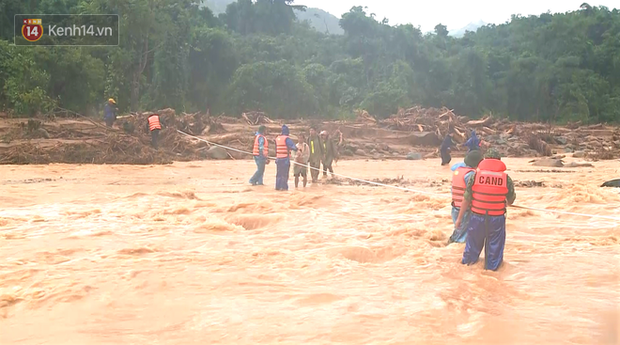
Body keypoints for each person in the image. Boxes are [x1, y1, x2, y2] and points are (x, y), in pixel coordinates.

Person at [455, 148, 516, 271]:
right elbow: (511, 200)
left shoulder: (475, 176)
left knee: (471, 251)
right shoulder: (506, 178)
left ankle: (466, 275)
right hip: (496, 219)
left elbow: (466, 199)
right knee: (494, 253)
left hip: (477, 217)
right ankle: (491, 276)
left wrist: (459, 219)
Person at [448, 150, 484, 243]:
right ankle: (452, 251)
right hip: (464, 210)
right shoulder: (471, 174)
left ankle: (451, 249)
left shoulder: (458, 171)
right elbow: (470, 195)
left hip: (455, 207)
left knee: (459, 231)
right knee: (460, 237)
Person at [275, 125, 298, 191]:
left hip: (278, 158)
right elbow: (293, 147)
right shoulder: (287, 139)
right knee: (284, 174)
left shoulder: (277, 138)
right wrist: (297, 149)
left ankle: (278, 187)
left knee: (279, 174)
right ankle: (283, 187)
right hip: (285, 159)